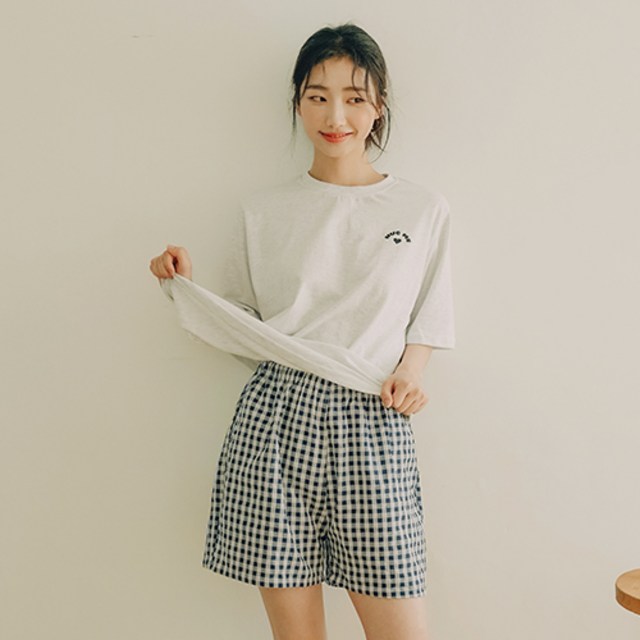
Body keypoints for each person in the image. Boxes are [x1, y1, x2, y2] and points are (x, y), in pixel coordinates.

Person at [149, 22, 455, 640]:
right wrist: (182, 284)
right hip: (275, 420)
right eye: (317, 96)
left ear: (379, 107)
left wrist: (411, 371)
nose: (335, 116)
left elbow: (430, 309)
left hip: (371, 418)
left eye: (354, 97)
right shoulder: (262, 211)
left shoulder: (421, 208)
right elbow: (247, 330)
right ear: (297, 103)